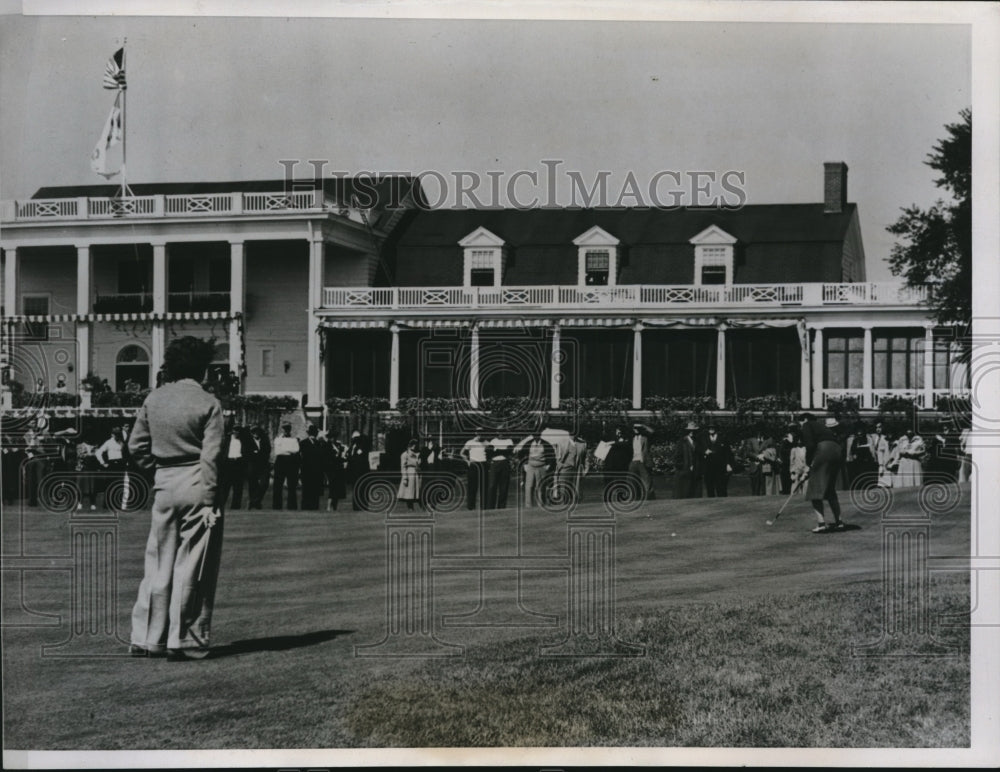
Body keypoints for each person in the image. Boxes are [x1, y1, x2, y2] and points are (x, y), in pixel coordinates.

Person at [126, 336, 224, 660]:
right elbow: (212, 456)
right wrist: (210, 497)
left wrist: (156, 470)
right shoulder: (208, 402)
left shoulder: (154, 399)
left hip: (164, 482)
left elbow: (135, 447)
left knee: (157, 562)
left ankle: (146, 637)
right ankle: (181, 639)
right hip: (197, 481)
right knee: (192, 566)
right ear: (202, 367)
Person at [797, 413, 844, 532]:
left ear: (805, 419)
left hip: (824, 449)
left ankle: (821, 524)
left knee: (815, 488)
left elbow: (810, 445)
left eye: (800, 421)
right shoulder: (822, 426)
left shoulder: (807, 425)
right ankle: (839, 522)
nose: (801, 425)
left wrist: (808, 465)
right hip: (837, 450)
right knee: (829, 488)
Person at [515, 430, 556, 509]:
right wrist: (525, 465)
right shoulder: (529, 443)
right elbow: (520, 454)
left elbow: (552, 455)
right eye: (534, 435)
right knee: (529, 486)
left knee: (541, 487)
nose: (536, 436)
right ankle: (528, 506)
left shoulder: (545, 443)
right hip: (530, 467)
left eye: (537, 435)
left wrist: (549, 465)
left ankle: (541, 505)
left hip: (541, 467)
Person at [95, 426, 127, 508]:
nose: (117, 436)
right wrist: (103, 463)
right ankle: (108, 504)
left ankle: (118, 504)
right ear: (112, 434)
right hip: (112, 464)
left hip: (120, 464)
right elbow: (98, 452)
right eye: (115, 434)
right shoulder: (108, 442)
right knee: (110, 484)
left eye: (118, 434)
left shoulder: (121, 442)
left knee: (120, 484)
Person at [219, 423, 249, 510]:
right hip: (228, 464)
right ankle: (221, 506)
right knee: (225, 487)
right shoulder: (227, 440)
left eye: (238, 431)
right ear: (232, 431)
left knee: (238, 487)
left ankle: (235, 507)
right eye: (235, 430)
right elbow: (222, 452)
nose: (236, 432)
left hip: (238, 464)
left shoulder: (243, 441)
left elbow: (246, 452)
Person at [272, 422, 301, 510]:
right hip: (280, 461)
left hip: (291, 462)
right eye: (285, 428)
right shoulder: (277, 439)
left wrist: (285, 449)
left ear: (290, 429)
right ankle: (276, 506)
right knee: (277, 485)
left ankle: (292, 506)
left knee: (292, 485)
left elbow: (296, 450)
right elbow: (278, 452)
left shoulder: (294, 439)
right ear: (282, 429)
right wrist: (289, 450)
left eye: (288, 428)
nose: (286, 430)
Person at [298, 424, 327, 510]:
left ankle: (314, 507)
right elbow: (300, 457)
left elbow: (322, 458)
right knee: (306, 490)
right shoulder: (303, 443)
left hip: (317, 471)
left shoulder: (319, 444)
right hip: (306, 470)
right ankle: (305, 507)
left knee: (315, 491)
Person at [555, 432, 588, 505]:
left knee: (575, 488)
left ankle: (573, 504)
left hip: (576, 469)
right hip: (565, 468)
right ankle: (563, 503)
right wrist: (561, 466)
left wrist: (586, 469)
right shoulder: (562, 442)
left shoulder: (582, 443)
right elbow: (558, 457)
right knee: (563, 488)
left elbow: (586, 457)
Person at [460, 430, 490, 511]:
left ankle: (484, 507)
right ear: (476, 433)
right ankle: (471, 507)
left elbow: (490, 452)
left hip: (483, 464)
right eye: (479, 432)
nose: (480, 434)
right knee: (472, 487)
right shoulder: (470, 442)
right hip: (473, 465)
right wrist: (467, 461)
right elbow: (462, 453)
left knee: (484, 486)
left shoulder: (486, 442)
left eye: (482, 432)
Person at [602, 427, 632, 503]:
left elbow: (625, 445)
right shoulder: (609, 438)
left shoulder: (626, 439)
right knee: (608, 482)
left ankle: (621, 497)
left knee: (621, 481)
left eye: (620, 431)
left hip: (621, 464)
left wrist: (612, 443)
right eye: (617, 430)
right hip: (609, 464)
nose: (619, 432)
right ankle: (607, 498)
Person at [701, 426, 733, 498]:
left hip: (720, 467)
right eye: (709, 428)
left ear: (716, 429)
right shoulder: (703, 438)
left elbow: (728, 452)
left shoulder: (723, 438)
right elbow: (699, 450)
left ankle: (722, 503)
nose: (711, 429)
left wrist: (728, 464)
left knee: (721, 487)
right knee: (709, 487)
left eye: (713, 427)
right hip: (708, 467)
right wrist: (704, 452)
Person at [740, 427, 772, 496]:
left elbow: (771, 450)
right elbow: (748, 452)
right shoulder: (750, 440)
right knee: (755, 489)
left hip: (765, 466)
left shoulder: (768, 440)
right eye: (759, 432)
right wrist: (757, 456)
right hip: (754, 466)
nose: (760, 433)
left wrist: (764, 455)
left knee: (765, 489)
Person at [673, 422, 701, 499]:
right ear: (687, 431)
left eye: (694, 431)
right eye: (690, 430)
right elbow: (677, 457)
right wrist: (685, 466)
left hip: (695, 471)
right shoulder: (682, 442)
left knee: (695, 494)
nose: (692, 432)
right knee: (684, 493)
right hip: (684, 472)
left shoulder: (697, 442)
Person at [488, 430, 515, 509]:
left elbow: (509, 452)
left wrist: (497, 451)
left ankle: (501, 507)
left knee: (504, 486)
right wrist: (503, 451)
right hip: (495, 463)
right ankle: (490, 507)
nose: (501, 434)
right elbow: (490, 452)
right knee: (492, 485)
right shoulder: (493, 441)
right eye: (499, 432)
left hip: (505, 463)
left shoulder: (509, 441)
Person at [246, 425, 271, 509]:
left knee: (264, 484)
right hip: (252, 465)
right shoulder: (248, 442)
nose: (255, 433)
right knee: (253, 484)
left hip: (263, 465)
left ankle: (256, 501)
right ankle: (254, 502)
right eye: (253, 432)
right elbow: (247, 453)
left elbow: (267, 451)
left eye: (256, 431)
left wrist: (257, 453)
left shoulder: (264, 441)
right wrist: (256, 453)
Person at [628, 423, 655, 500]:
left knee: (647, 481)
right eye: (635, 428)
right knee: (632, 480)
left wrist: (643, 426)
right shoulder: (631, 438)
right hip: (633, 461)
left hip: (643, 461)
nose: (636, 429)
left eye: (637, 428)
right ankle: (635, 497)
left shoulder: (645, 437)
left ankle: (650, 497)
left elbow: (653, 432)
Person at [346, 431, 371, 511]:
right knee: (355, 488)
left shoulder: (362, 447)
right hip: (354, 472)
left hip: (361, 471)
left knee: (362, 488)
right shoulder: (352, 447)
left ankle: (363, 505)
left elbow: (358, 458)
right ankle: (356, 506)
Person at [324, 431, 347, 511]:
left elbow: (341, 456)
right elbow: (328, 458)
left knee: (337, 489)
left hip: (338, 470)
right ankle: (329, 506)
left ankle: (335, 507)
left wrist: (342, 455)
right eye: (332, 437)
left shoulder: (338, 445)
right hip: (331, 470)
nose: (333, 439)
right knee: (332, 488)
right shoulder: (327, 446)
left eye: (334, 437)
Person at [397, 439, 422, 510]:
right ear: (409, 445)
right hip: (410, 473)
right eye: (412, 444)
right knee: (409, 491)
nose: (414, 446)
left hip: (417, 473)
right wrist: (405, 477)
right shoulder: (405, 455)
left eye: (416, 444)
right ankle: (410, 507)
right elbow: (403, 467)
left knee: (417, 491)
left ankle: (419, 507)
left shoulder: (419, 454)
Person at [778, 427, 795, 495]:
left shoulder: (784, 441)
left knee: (786, 478)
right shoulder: (786, 441)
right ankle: (787, 490)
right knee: (787, 478)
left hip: (785, 463)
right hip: (787, 462)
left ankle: (786, 490)